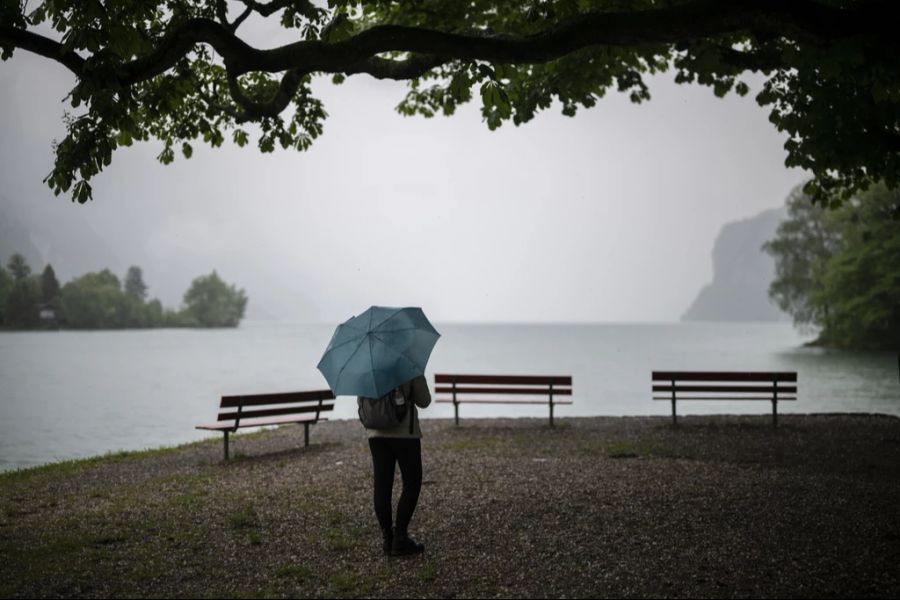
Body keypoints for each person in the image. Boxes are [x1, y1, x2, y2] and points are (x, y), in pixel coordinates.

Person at [363, 373, 431, 556]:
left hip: (376, 433)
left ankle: (387, 538)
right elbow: (424, 400)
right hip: (405, 435)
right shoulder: (408, 365)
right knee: (412, 483)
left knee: (382, 485)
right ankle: (400, 537)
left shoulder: (368, 367)